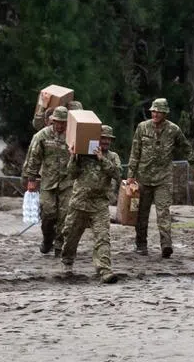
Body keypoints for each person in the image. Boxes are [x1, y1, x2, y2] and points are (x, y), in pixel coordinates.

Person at [126, 98, 194, 258]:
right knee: (141, 214)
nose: (155, 114)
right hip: (144, 178)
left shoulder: (173, 130)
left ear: (165, 113)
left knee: (163, 212)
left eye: (158, 111)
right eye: (153, 111)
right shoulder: (142, 127)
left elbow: (186, 148)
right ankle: (141, 245)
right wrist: (131, 177)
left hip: (163, 179)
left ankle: (166, 245)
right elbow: (135, 153)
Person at [61, 124, 121, 284]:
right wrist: (73, 156)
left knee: (103, 237)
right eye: (103, 138)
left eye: (109, 139)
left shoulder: (113, 157)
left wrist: (102, 159)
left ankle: (105, 271)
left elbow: (117, 174)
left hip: (100, 204)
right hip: (79, 202)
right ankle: (67, 261)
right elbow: (71, 174)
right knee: (71, 235)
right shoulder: (83, 154)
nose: (106, 141)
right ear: (96, 139)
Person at [22, 105, 72, 255]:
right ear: (53, 120)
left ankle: (59, 245)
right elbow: (33, 158)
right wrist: (31, 179)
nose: (61, 125)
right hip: (48, 182)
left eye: (64, 122)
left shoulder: (72, 136)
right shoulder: (42, 136)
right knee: (48, 213)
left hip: (67, 182)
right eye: (58, 122)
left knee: (65, 215)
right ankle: (47, 239)